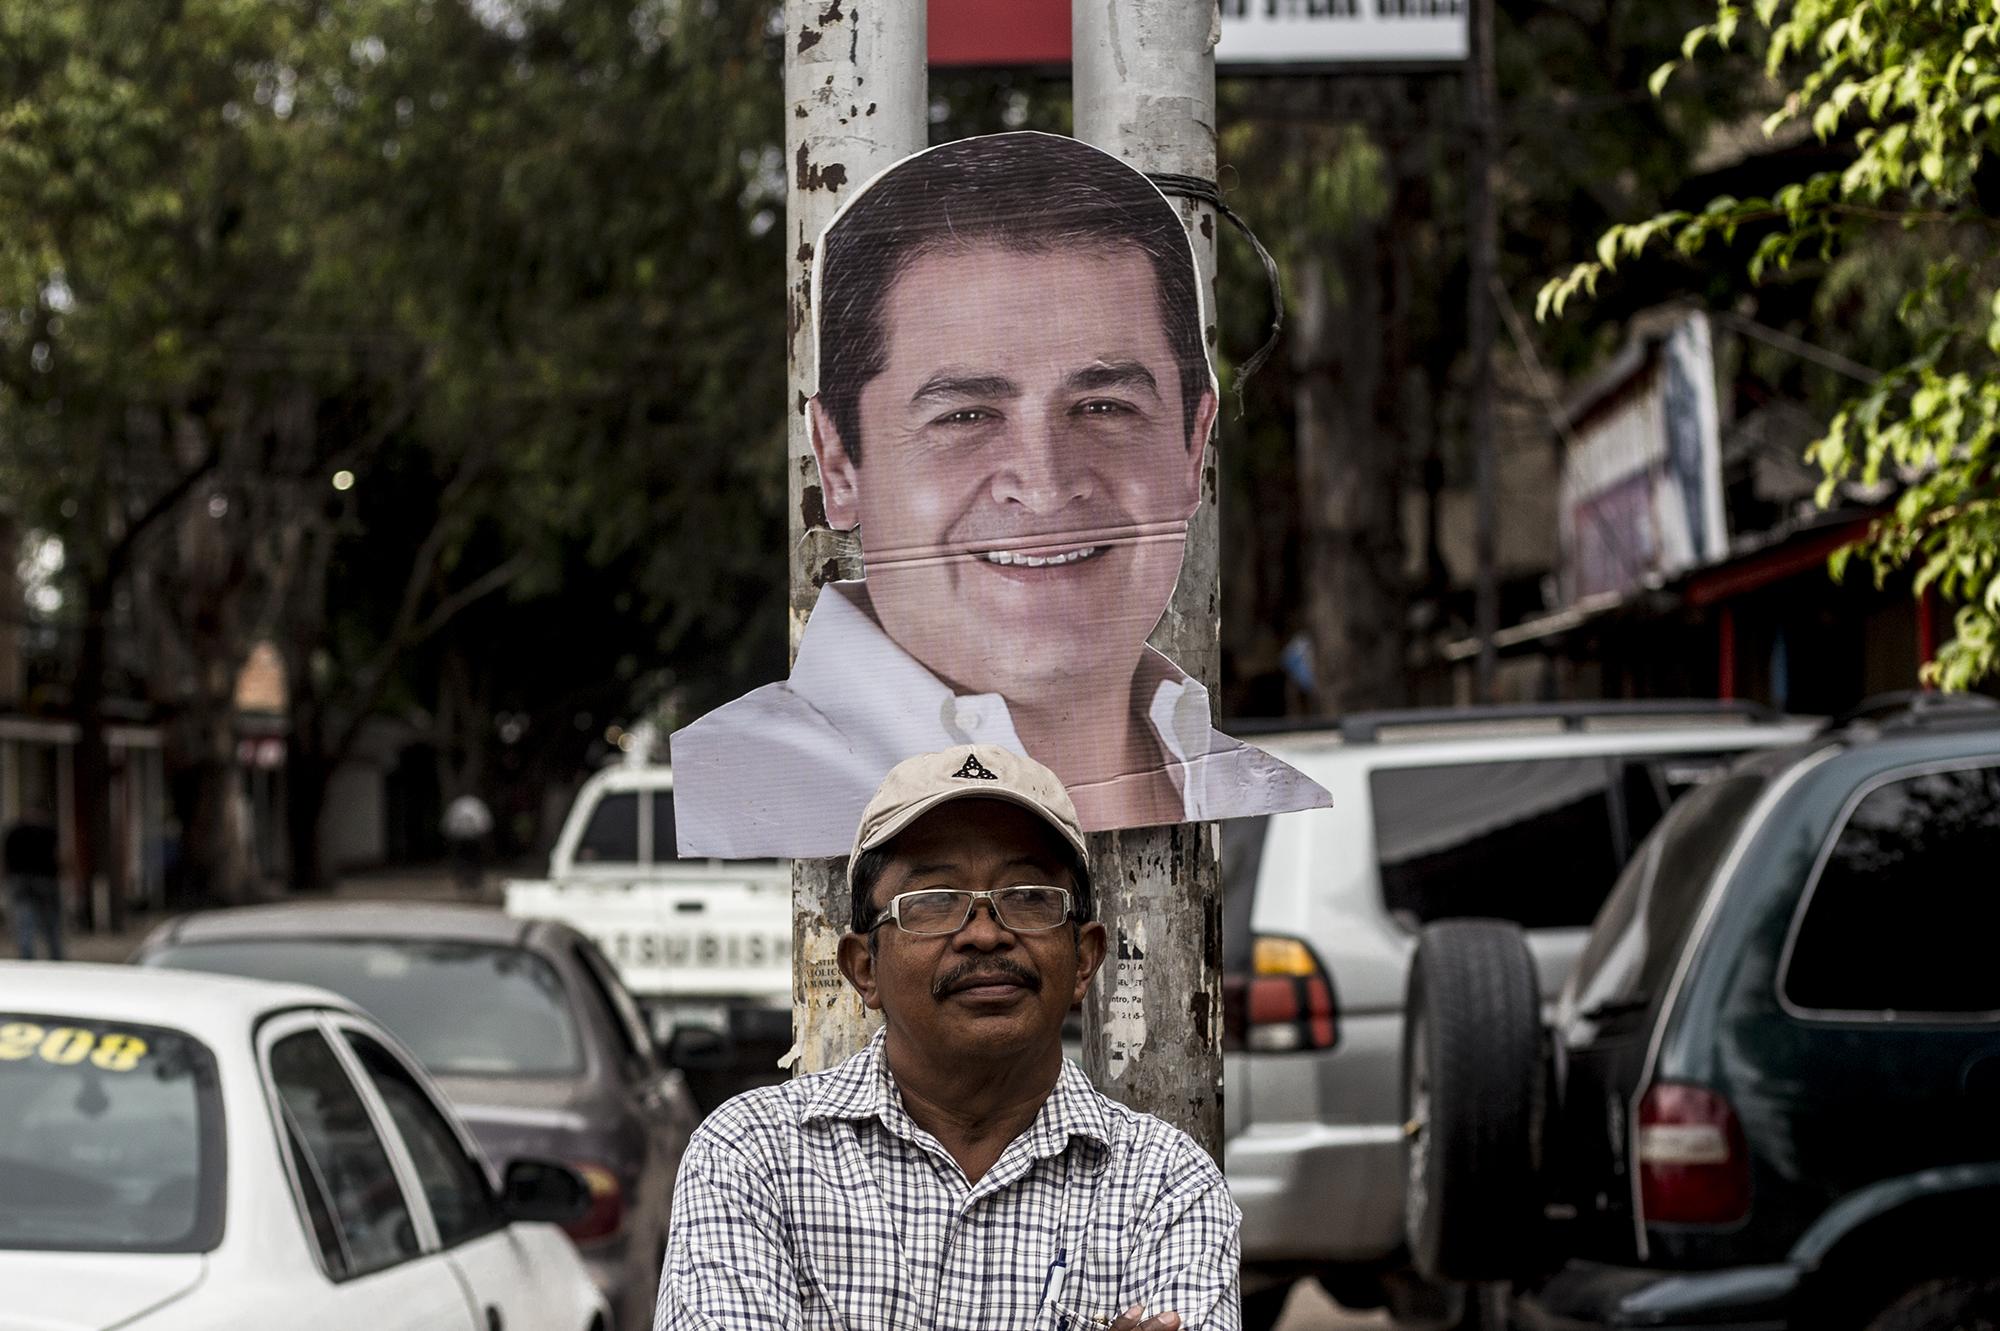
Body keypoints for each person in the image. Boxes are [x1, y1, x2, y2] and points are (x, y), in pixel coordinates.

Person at [671, 131, 1328, 859]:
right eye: (965, 417)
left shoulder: (1271, 812)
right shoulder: (724, 805)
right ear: (838, 462)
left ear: (1193, 443)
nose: (1045, 486)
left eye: (1104, 405)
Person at [654, 745, 1240, 1331]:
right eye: (934, 901)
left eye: (1028, 897)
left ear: (1084, 960)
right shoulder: (753, 1158)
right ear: (864, 968)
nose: (985, 934)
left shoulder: (1166, 1186)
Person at [3, 810, 63, 960]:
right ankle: (56, 957)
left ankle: (27, 957)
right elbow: (59, 855)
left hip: (20, 880)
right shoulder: (48, 831)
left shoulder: (15, 832)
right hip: (44, 880)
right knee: (50, 924)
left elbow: (5, 858)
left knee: (24, 922)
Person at [441, 792, 493, 895]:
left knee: (464, 861)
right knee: (473, 861)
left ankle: (466, 882)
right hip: (472, 838)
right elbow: (485, 823)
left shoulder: (457, 805)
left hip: (462, 838)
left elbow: (448, 823)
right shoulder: (477, 804)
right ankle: (471, 882)